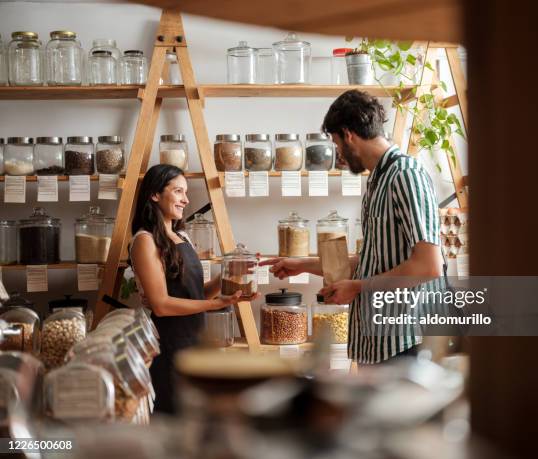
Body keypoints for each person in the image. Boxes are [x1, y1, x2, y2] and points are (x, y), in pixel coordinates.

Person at [261, 90, 443, 364]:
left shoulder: (405, 175)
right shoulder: (378, 181)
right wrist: (304, 264)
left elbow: (429, 266)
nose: (339, 155)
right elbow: (374, 260)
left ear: (348, 135)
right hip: (379, 341)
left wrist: (359, 287)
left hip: (405, 342)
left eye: (336, 144)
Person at [129, 164, 245, 413]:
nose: (186, 199)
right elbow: (161, 305)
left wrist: (231, 276)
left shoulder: (183, 237)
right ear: (155, 194)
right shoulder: (144, 241)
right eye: (178, 191)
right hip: (170, 345)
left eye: (186, 192)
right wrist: (216, 305)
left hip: (195, 341)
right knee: (174, 417)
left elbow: (196, 294)